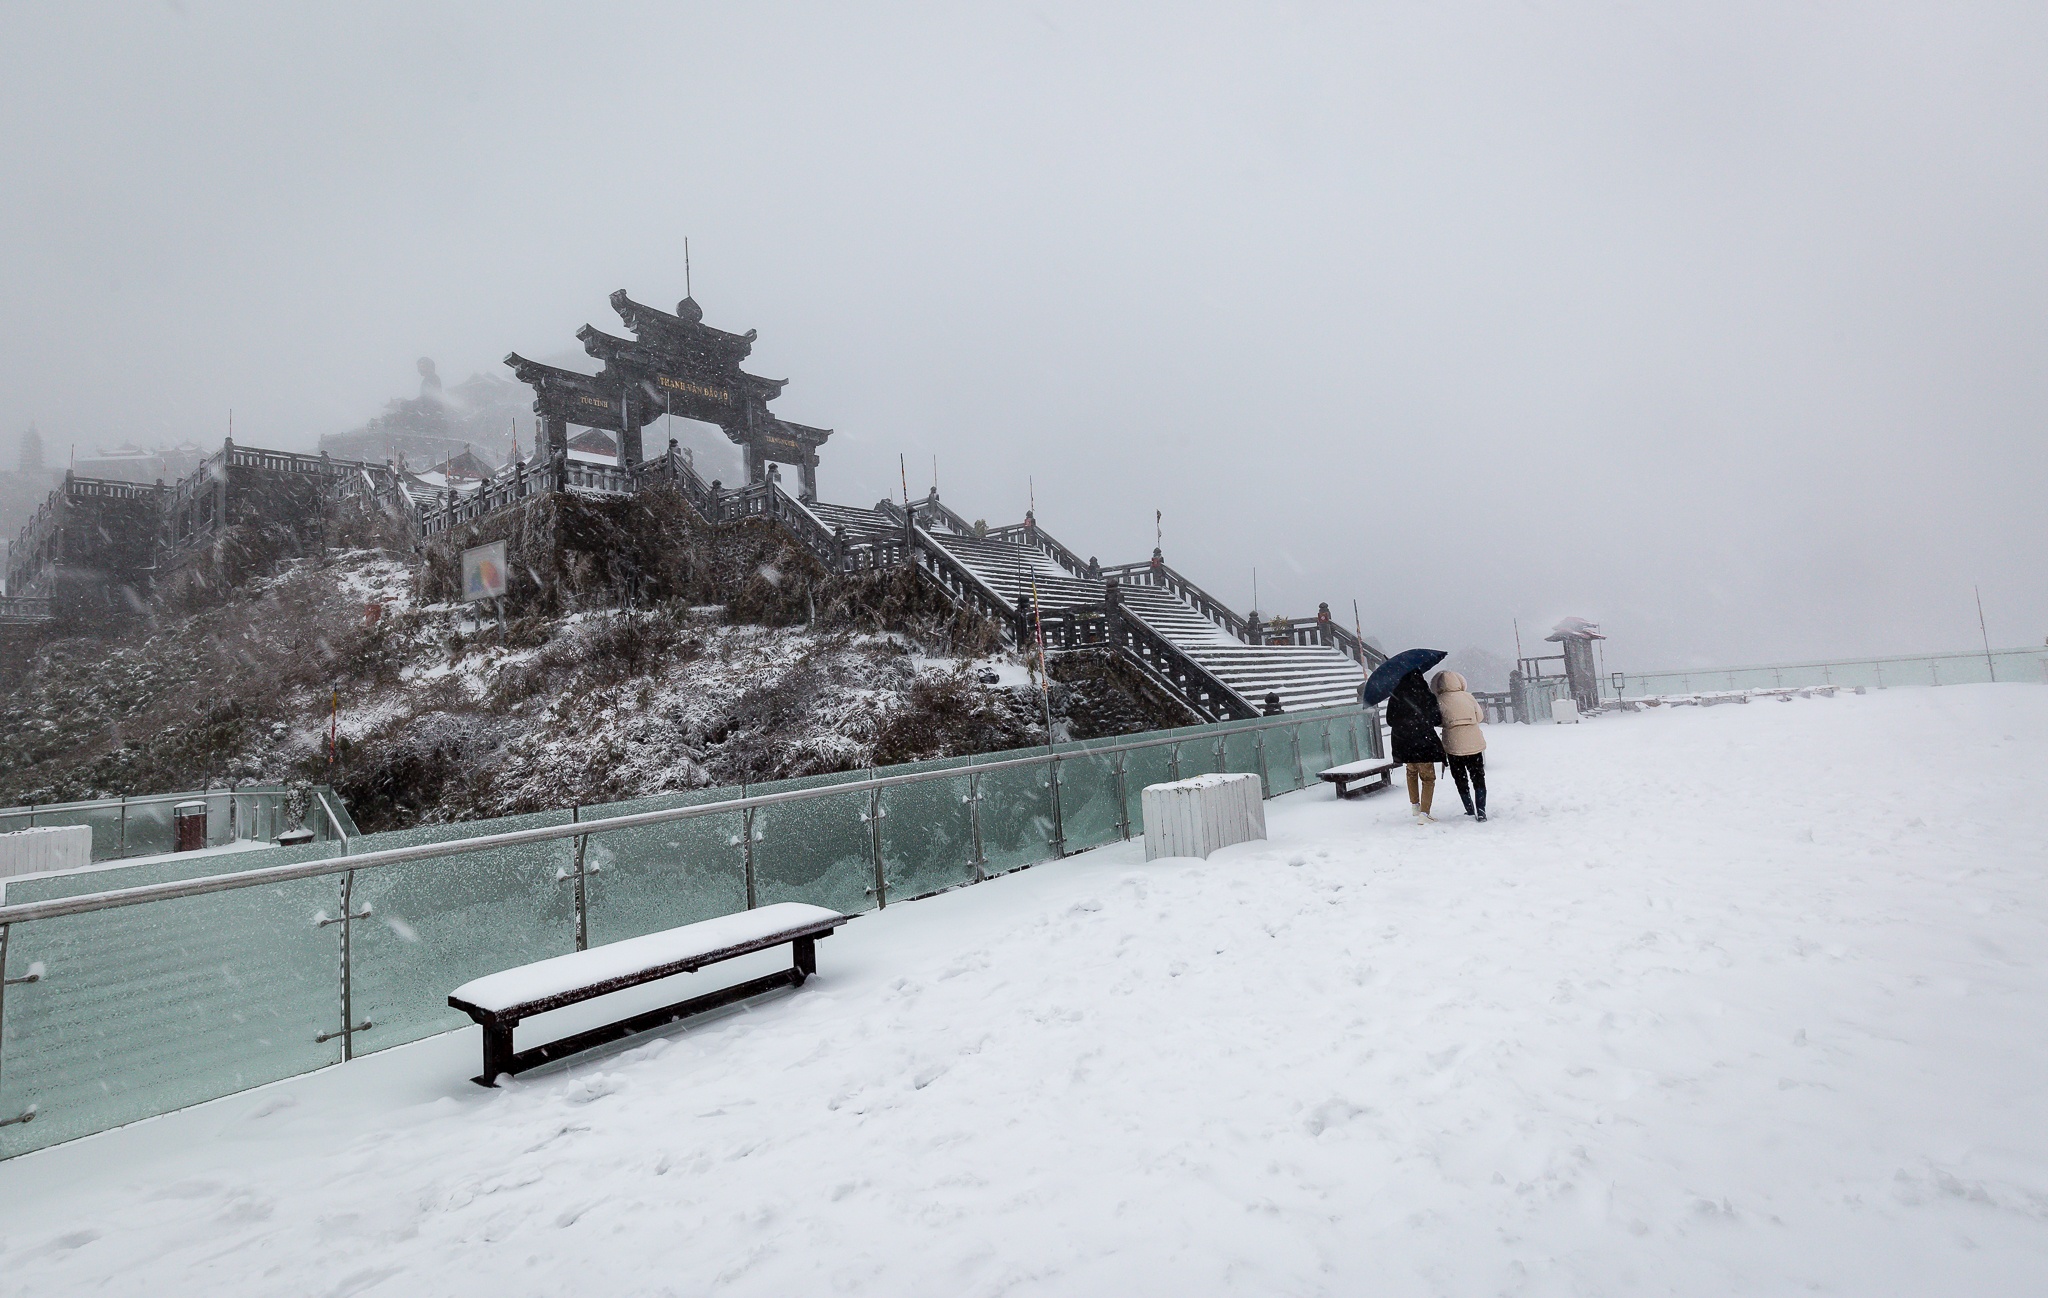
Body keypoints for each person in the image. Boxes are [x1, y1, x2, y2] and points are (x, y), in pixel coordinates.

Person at [1386, 668, 1445, 823]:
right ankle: (1424, 814)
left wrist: (1404, 723)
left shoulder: (1396, 695)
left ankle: (1415, 805)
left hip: (1404, 742)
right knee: (1428, 777)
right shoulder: (1427, 695)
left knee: (1411, 771)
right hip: (1424, 741)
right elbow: (1437, 719)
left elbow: (1390, 721)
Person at [1432, 669, 1488, 821]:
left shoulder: (1439, 700)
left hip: (1453, 745)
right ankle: (1481, 810)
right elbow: (1480, 717)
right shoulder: (1468, 697)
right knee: (1478, 777)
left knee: (1460, 778)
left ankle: (1469, 808)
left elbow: (1437, 720)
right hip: (1473, 743)